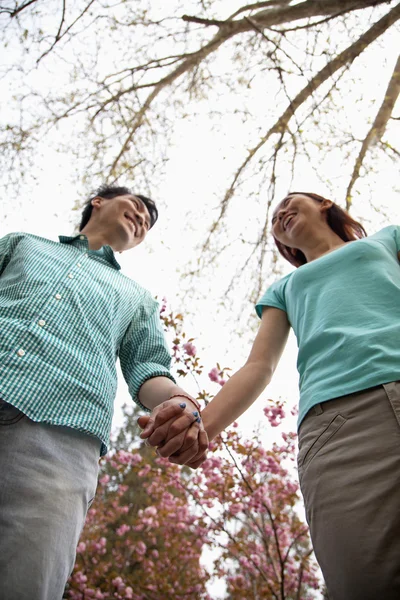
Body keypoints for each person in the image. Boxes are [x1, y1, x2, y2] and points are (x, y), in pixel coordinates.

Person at [140, 192, 400, 600]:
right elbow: (258, 368)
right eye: (275, 217)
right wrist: (198, 429)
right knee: (367, 579)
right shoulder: (284, 288)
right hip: (340, 425)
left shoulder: (389, 240)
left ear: (324, 203)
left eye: (289, 203)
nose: (280, 214)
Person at [0, 184, 208, 600]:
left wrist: (179, 400)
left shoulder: (137, 299)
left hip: (59, 439)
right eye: (135, 207)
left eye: (148, 223)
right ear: (98, 202)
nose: (142, 219)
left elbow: (148, 369)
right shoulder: (21, 243)